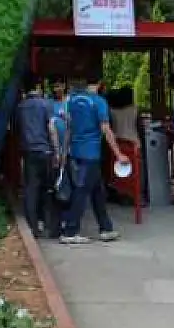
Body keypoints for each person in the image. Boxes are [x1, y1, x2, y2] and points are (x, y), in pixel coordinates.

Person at [59, 78, 129, 244]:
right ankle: (70, 231)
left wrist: (64, 152)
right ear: (98, 84)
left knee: (98, 191)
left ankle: (106, 228)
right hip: (90, 153)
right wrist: (118, 154)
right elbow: (106, 129)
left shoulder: (70, 101)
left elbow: (68, 128)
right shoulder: (98, 102)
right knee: (82, 191)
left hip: (75, 151)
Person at [13, 82, 61, 238]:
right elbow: (51, 129)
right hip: (45, 151)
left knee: (31, 189)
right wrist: (57, 151)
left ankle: (32, 226)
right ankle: (49, 224)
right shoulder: (46, 104)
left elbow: (15, 129)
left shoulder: (20, 107)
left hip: (28, 152)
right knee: (48, 188)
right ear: (38, 88)